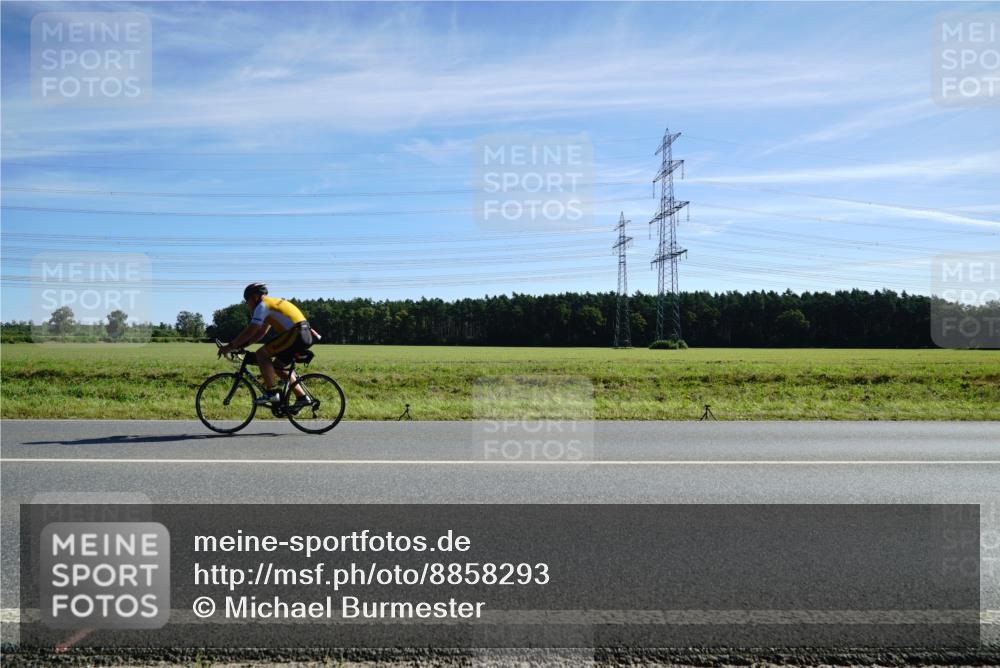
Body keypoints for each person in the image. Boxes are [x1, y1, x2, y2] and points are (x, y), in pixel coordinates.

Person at [218, 283, 314, 410]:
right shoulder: (271, 305)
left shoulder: (262, 306)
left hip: (296, 333)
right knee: (278, 367)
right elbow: (260, 333)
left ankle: (272, 393)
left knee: (261, 354)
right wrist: (242, 345)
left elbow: (252, 330)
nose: (247, 304)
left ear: (255, 297)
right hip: (303, 334)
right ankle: (302, 398)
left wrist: (230, 346)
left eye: (247, 301)